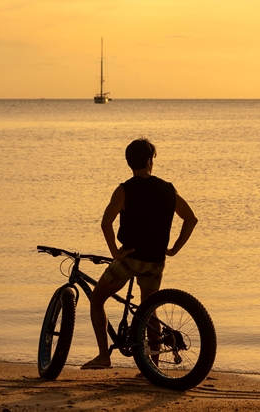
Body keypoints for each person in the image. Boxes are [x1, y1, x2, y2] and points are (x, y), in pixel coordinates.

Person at [81, 138, 198, 370]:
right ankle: (153, 366)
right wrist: (174, 248)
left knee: (97, 299)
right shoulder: (168, 189)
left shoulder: (124, 189)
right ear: (149, 161)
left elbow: (106, 223)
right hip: (155, 261)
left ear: (129, 163)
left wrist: (115, 252)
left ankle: (104, 356)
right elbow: (191, 219)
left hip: (129, 261)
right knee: (149, 308)